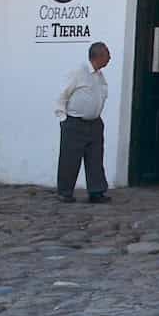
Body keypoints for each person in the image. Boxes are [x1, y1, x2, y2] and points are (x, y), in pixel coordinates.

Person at [55, 42, 112, 204]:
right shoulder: (78, 72)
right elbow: (62, 94)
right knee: (70, 158)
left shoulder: (99, 75)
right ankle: (65, 191)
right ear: (98, 55)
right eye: (107, 54)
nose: (110, 58)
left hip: (94, 123)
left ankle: (96, 191)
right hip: (74, 121)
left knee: (95, 158)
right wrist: (63, 118)